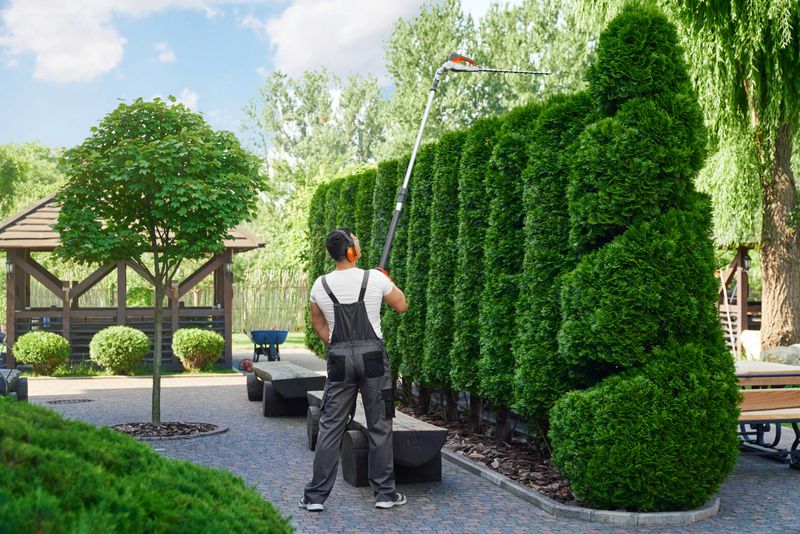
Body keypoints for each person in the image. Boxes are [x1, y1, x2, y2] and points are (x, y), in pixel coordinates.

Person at [300, 228, 408, 512]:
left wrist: (338, 347)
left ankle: (315, 498)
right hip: (373, 358)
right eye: (356, 241)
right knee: (380, 424)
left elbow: (318, 324)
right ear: (351, 250)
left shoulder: (320, 285)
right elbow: (402, 305)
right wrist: (387, 281)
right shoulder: (375, 278)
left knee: (330, 425)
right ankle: (384, 494)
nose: (359, 243)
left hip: (339, 359)